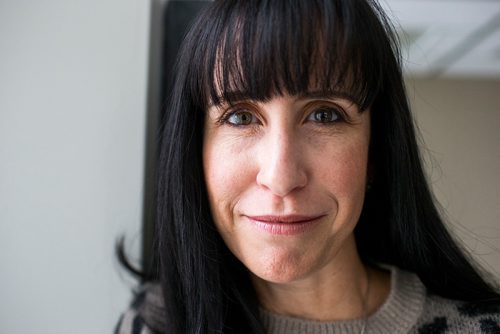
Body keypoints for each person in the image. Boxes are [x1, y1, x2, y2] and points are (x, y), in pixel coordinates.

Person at [115, 0, 500, 333]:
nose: (280, 177)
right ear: (194, 151)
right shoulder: (153, 324)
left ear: (377, 152)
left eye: (325, 115)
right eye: (240, 118)